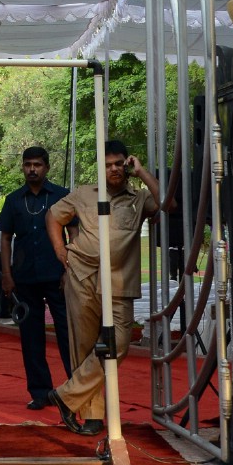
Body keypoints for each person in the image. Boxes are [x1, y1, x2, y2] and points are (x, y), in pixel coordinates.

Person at [45, 139, 161, 433]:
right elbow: (53, 216)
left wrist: (142, 171)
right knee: (84, 347)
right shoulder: (84, 194)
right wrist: (60, 251)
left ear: (126, 164)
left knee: (118, 344)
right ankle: (92, 417)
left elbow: (167, 203)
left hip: (120, 280)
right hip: (82, 274)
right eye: (107, 164)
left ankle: (65, 396)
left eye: (118, 163)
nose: (113, 169)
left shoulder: (139, 198)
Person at [0, 146, 72, 409]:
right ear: (23, 167)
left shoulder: (62, 196)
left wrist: (69, 271)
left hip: (57, 275)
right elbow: (5, 238)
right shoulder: (14, 200)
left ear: (47, 167)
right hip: (24, 278)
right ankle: (40, 392)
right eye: (28, 164)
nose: (32, 169)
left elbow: (75, 234)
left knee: (67, 333)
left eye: (37, 164)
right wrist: (7, 274)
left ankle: (76, 391)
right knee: (31, 336)